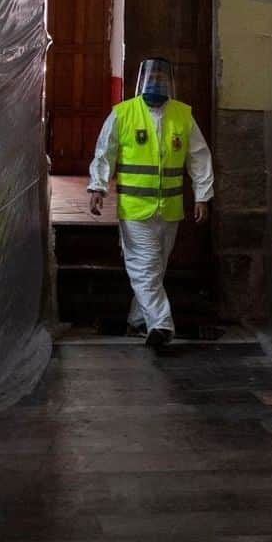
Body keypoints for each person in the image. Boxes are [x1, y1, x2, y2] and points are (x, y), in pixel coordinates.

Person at [87, 57, 213, 348]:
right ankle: (161, 325)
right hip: (135, 210)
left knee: (155, 269)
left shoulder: (183, 115)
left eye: (161, 76)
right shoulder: (123, 114)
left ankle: (137, 321)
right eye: (152, 76)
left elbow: (199, 157)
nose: (156, 81)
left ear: (170, 82)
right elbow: (105, 153)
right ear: (142, 80)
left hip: (169, 209)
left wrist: (203, 195)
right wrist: (98, 186)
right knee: (144, 267)